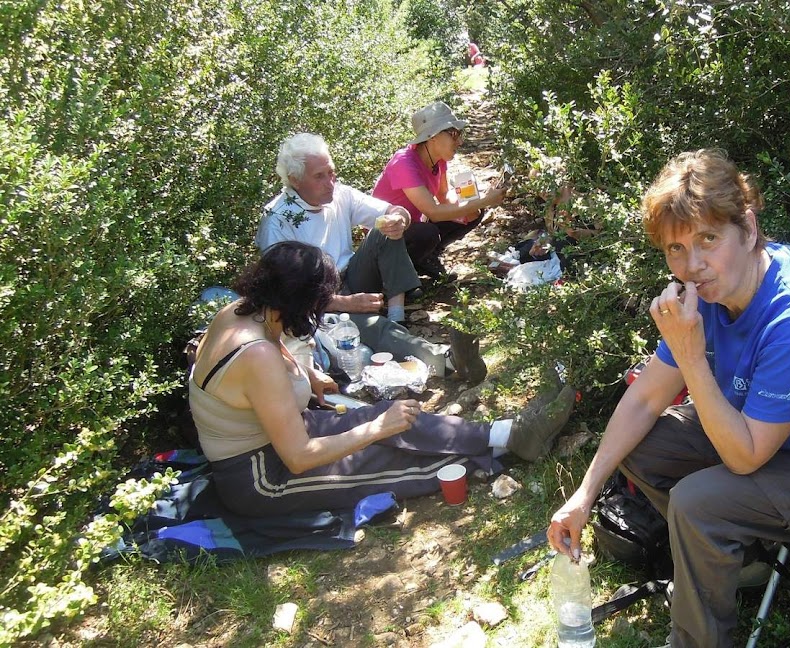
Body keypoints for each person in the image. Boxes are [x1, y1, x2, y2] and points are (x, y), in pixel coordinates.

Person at [546, 150, 790, 648]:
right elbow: (644, 400)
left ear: (748, 226)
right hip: (767, 428)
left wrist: (692, 358)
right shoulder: (713, 289)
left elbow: (744, 459)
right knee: (639, 445)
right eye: (676, 249)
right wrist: (585, 494)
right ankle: (735, 560)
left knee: (699, 504)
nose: (692, 266)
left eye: (708, 239)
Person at [189, 241, 577, 517]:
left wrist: (305, 372)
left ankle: (506, 432)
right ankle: (509, 448)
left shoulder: (238, 312)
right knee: (386, 453)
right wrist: (375, 429)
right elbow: (298, 457)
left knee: (397, 416)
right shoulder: (255, 356)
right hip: (262, 476)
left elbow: (264, 355)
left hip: (283, 434)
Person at [256, 133, 484, 382]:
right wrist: (346, 304)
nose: (330, 182)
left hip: (351, 274)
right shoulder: (278, 220)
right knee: (371, 327)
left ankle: (397, 316)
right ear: (295, 180)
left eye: (331, 173)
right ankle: (446, 360)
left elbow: (391, 210)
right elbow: (285, 296)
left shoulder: (340, 194)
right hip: (316, 301)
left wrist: (400, 219)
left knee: (384, 229)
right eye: (319, 176)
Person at [372, 101, 507, 281]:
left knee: (472, 212)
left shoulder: (438, 160)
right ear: (433, 136)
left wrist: (470, 201)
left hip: (410, 227)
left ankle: (426, 257)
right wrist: (484, 201)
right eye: (453, 134)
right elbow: (433, 212)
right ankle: (399, 275)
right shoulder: (404, 163)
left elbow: (444, 196)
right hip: (386, 236)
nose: (459, 141)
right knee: (427, 233)